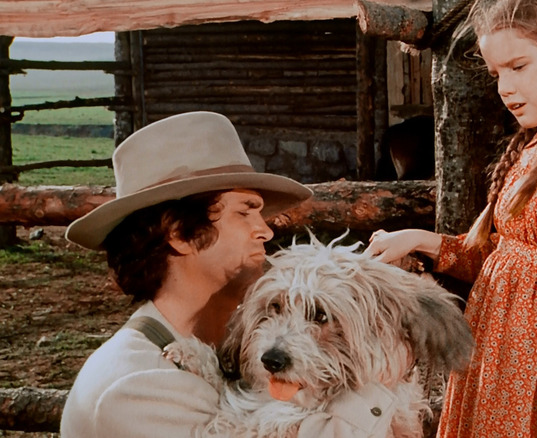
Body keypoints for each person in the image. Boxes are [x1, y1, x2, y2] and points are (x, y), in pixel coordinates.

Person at [365, 0, 537, 437]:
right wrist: (421, 240)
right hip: (504, 378)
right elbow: (509, 265)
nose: (504, 87)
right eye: (497, 74)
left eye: (518, 66)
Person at [61, 111, 400, 437]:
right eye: (244, 213)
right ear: (179, 234)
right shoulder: (138, 387)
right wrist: (382, 380)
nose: (265, 232)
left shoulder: (223, 352)